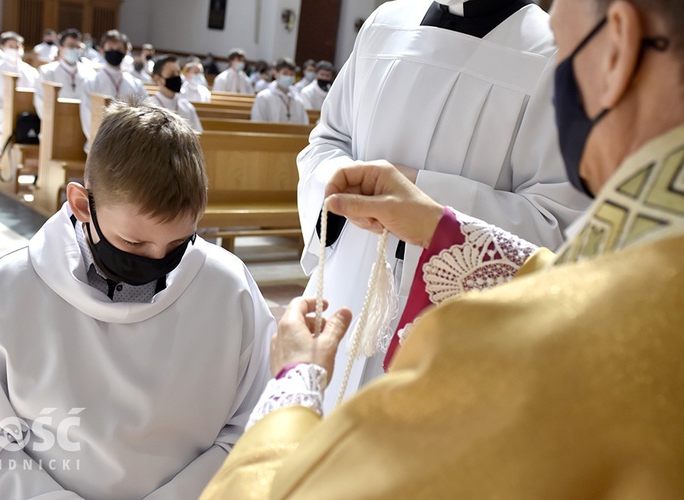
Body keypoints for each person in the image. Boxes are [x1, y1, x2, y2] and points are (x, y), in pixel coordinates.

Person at [201, 0, 684, 494]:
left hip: (430, 331)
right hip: (347, 282)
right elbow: (577, 276)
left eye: (566, 48)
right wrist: (440, 225)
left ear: (617, 45)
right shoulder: (384, 23)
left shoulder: (533, 345)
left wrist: (294, 381)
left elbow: (285, 491)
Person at [0, 97, 273, 499]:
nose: (157, 261)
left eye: (180, 242)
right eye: (134, 241)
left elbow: (257, 423)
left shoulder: (228, 287)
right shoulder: (6, 290)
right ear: (82, 205)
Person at [297, 0, 592, 411]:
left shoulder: (557, 51)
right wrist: (341, 181)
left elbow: (559, 226)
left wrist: (423, 194)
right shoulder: (384, 23)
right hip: (344, 287)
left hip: (453, 331)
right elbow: (327, 139)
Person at [79, 30, 147, 150]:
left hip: (129, 147)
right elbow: (88, 115)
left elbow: (144, 114)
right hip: (99, 146)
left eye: (119, 49)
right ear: (102, 51)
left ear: (126, 52)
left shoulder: (136, 84)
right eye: (110, 47)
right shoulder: (91, 82)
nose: (115, 52)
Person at [0, 31, 38, 150]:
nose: (15, 50)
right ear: (3, 48)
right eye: (11, 47)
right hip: (0, 121)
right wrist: (5, 121)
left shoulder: (31, 72)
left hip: (26, 121)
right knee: (7, 138)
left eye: (17, 46)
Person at [33, 28, 95, 119]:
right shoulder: (47, 71)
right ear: (60, 47)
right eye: (70, 46)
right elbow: (40, 101)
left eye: (77, 47)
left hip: (81, 124)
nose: (74, 50)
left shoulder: (89, 73)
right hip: (54, 123)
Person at [148, 55, 202, 132]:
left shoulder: (187, 107)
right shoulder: (148, 106)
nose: (177, 77)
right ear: (157, 78)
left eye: (178, 73)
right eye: (171, 74)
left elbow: (198, 135)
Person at [251, 57, 308, 124]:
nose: (289, 77)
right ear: (275, 74)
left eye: (292, 74)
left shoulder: (298, 99)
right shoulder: (263, 97)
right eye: (285, 73)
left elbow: (304, 124)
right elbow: (257, 123)